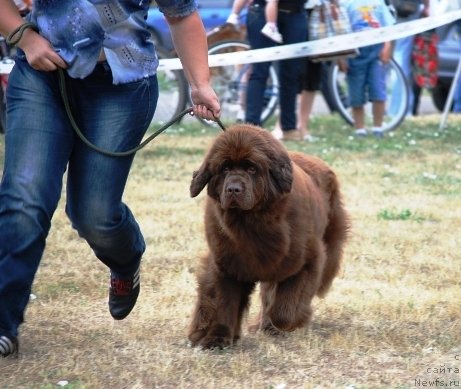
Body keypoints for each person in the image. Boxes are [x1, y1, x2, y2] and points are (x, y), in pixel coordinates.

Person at [0, 0, 220, 357]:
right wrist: (23, 36)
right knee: (24, 198)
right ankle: (3, 324)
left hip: (123, 85)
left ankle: (125, 260)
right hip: (41, 75)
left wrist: (200, 83)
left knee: (93, 215)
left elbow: (181, 15)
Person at [245, 0, 308, 141]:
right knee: (259, 72)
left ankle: (289, 128)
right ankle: (251, 128)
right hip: (261, 11)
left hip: (296, 12)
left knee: (291, 74)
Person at [340, 0, 395, 137]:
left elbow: (388, 27)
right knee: (356, 94)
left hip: (376, 53)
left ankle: (378, 127)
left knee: (379, 91)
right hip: (354, 55)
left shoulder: (379, 4)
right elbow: (340, 31)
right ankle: (360, 129)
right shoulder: (346, 4)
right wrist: (341, 57)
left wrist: (387, 46)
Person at [388, 0, 429, 117]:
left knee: (396, 61)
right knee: (401, 63)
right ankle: (401, 108)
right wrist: (426, 6)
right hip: (407, 12)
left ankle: (398, 108)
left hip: (394, 11)